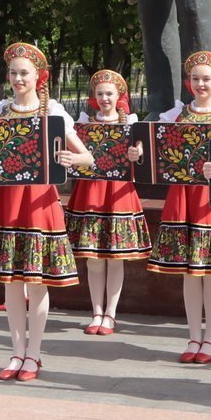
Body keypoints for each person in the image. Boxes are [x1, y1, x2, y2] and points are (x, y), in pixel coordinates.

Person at [0, 42, 94, 382]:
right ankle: (15, 351)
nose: (18, 78)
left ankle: (34, 355)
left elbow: (88, 157)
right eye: (13, 72)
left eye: (24, 73)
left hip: (38, 204)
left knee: (36, 283)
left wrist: (71, 159)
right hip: (5, 203)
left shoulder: (52, 111)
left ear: (39, 76)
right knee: (10, 282)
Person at [130, 51, 211, 365]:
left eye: (206, 79)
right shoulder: (175, 115)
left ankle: (210, 338)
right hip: (183, 199)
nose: (201, 84)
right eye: (195, 79)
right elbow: (152, 142)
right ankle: (193, 335)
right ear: (188, 82)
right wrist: (138, 150)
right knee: (188, 273)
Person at [65, 69, 151, 336]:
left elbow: (143, 158)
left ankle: (110, 314)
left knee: (115, 258)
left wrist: (137, 154)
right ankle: (96, 311)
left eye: (109, 93)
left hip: (118, 193)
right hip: (90, 191)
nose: (104, 98)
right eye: (100, 93)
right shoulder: (83, 123)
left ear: (119, 96)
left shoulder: (132, 124)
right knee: (93, 258)